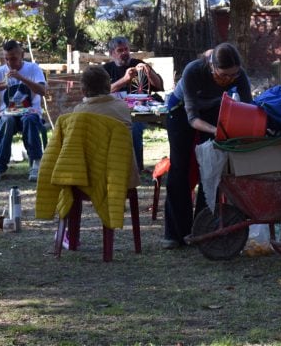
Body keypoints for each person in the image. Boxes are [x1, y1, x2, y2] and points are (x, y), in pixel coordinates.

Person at [163, 42, 252, 249]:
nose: (229, 80)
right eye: (223, 75)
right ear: (212, 67)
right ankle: (175, 233)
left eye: (233, 76)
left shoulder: (239, 74)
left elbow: (248, 107)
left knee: (211, 168)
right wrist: (216, 131)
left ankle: (202, 229)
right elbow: (192, 118)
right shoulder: (194, 70)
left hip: (212, 109)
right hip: (181, 110)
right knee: (180, 168)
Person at [0, 40, 47, 182]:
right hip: (8, 114)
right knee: (7, 120)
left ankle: (35, 162)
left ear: (22, 55)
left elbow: (42, 91)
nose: (9, 62)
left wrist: (22, 78)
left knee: (29, 119)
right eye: (6, 59)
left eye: (13, 58)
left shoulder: (33, 69)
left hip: (30, 112)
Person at [72, 65, 140, 189]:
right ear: (109, 86)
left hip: (90, 175)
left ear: (83, 90)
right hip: (123, 173)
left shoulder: (79, 111)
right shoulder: (123, 107)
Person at [103, 36, 164, 172]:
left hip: (139, 109)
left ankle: (137, 168)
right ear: (112, 53)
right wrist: (124, 80)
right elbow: (103, 90)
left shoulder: (138, 64)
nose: (124, 53)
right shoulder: (106, 69)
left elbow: (159, 86)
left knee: (135, 127)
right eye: (120, 50)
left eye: (126, 49)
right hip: (115, 110)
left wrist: (149, 72)